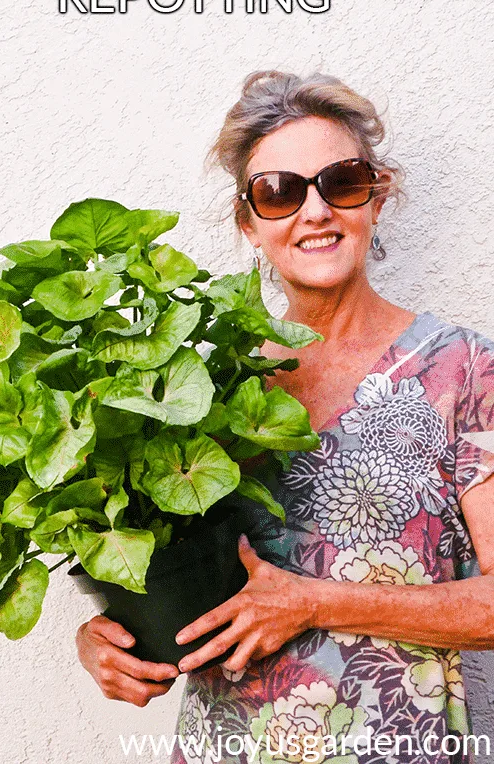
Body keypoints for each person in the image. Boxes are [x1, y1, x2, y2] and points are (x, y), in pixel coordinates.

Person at [75, 71, 494, 764]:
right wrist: (106, 639)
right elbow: (156, 567)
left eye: (344, 182)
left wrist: (311, 602)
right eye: (279, 192)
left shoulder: (466, 371)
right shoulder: (200, 387)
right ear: (249, 223)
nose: (316, 210)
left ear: (377, 198)